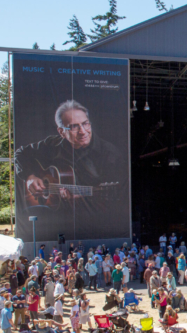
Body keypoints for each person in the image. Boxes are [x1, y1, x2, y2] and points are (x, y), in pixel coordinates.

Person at [15, 100, 127, 238]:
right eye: (74, 127)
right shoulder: (52, 144)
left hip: (90, 225)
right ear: (61, 132)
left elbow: (116, 201)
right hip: (53, 220)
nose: (83, 131)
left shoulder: (110, 155)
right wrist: (30, 177)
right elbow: (20, 153)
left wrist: (79, 197)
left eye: (85, 123)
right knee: (29, 215)